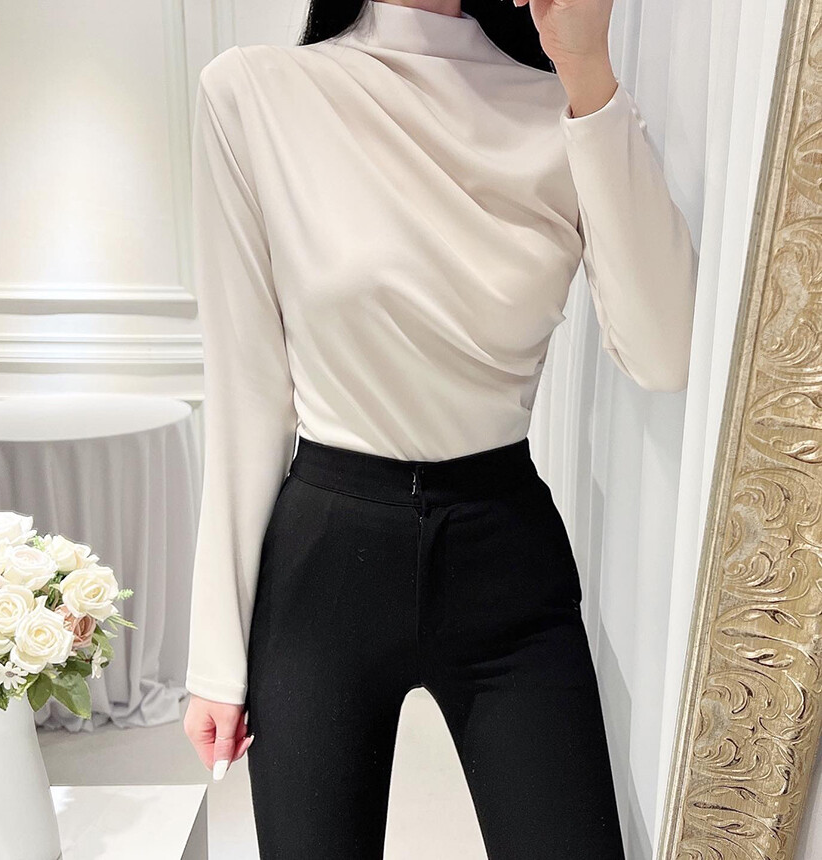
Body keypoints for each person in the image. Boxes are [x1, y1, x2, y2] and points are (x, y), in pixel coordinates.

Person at [182, 0, 697, 856]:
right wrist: (216, 657)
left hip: (506, 554)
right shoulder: (257, 92)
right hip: (324, 568)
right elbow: (246, 390)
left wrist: (587, 69)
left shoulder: (558, 108)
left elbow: (666, 353)